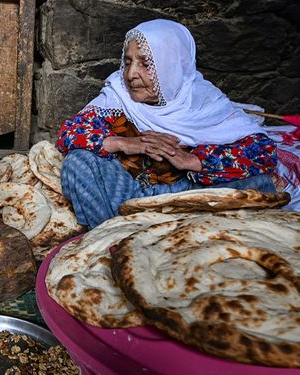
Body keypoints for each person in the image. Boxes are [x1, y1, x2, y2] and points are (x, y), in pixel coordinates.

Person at [57, 19, 278, 229]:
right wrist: (126, 143)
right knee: (78, 162)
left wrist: (192, 160)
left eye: (145, 64)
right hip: (131, 194)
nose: (131, 74)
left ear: (172, 66)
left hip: (193, 193)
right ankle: (107, 238)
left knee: (259, 184)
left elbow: (262, 153)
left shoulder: (204, 100)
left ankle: (191, 234)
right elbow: (69, 134)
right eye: (127, 62)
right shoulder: (117, 95)